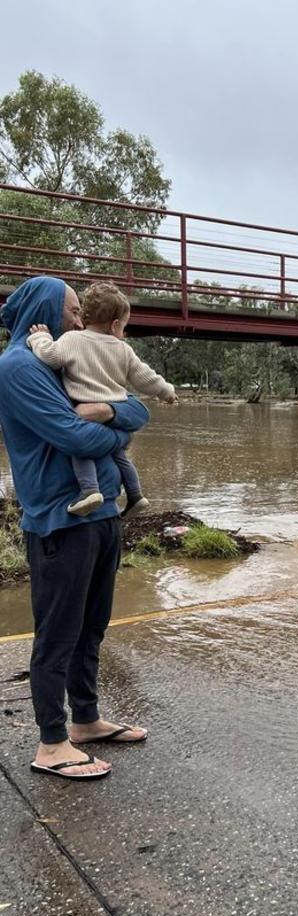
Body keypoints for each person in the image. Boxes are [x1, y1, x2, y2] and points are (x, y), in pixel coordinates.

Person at [0, 276, 150, 780]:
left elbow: (140, 406)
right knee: (58, 634)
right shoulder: (19, 367)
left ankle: (84, 720)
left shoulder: (67, 356)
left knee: (92, 627)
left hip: (102, 512)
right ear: (44, 306)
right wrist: (118, 431)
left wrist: (112, 411)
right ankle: (51, 742)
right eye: (71, 310)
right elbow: (72, 436)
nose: (80, 319)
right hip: (60, 519)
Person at [27, 281, 177, 518]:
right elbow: (145, 378)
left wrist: (39, 338)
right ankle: (136, 495)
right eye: (124, 326)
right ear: (115, 324)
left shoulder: (72, 340)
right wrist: (167, 391)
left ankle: (89, 491)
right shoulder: (123, 349)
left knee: (81, 448)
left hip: (84, 408)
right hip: (116, 408)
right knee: (119, 453)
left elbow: (50, 356)